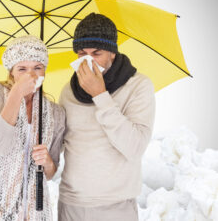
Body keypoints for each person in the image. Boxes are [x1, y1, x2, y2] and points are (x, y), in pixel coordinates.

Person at [58, 13, 156, 221]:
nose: (88, 60)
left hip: (115, 206)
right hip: (71, 204)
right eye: (82, 53)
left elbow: (135, 147)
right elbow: (60, 143)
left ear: (112, 52)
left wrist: (100, 95)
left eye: (97, 53)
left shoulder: (138, 86)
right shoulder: (68, 90)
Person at [0, 35, 65, 221]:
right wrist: (17, 92)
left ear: (45, 70)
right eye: (22, 69)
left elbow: (51, 173)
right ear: (11, 71)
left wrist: (48, 162)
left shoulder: (55, 113)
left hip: (33, 208)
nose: (31, 75)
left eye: (38, 67)